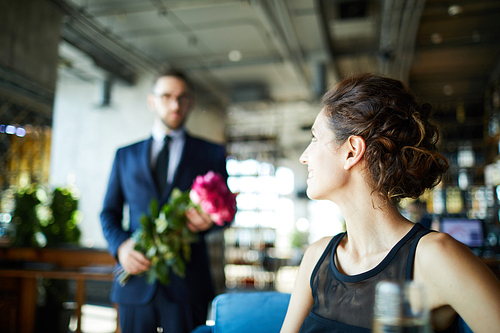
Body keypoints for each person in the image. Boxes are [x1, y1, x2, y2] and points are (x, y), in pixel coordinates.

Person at [280, 73, 500, 333]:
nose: (304, 157)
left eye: (315, 138)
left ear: (352, 151)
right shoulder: (317, 257)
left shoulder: (436, 257)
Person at [100, 70, 228, 333]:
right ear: (152, 101)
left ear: (191, 102)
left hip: (188, 285)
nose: (175, 105)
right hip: (135, 281)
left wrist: (209, 223)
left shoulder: (211, 153)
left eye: (182, 98)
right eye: (167, 96)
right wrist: (121, 247)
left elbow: (226, 212)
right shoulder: (125, 155)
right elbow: (108, 213)